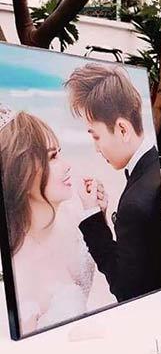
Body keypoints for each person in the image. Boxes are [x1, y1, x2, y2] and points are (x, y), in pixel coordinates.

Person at [0, 108, 114, 335]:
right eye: (53, 157)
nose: (67, 165)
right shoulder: (15, 270)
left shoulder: (70, 218)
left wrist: (97, 218)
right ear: (22, 173)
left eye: (59, 153)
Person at [65, 63, 161, 302]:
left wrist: (91, 216)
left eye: (96, 136)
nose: (96, 148)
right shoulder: (157, 165)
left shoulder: (135, 203)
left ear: (122, 129)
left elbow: (126, 289)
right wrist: (102, 217)